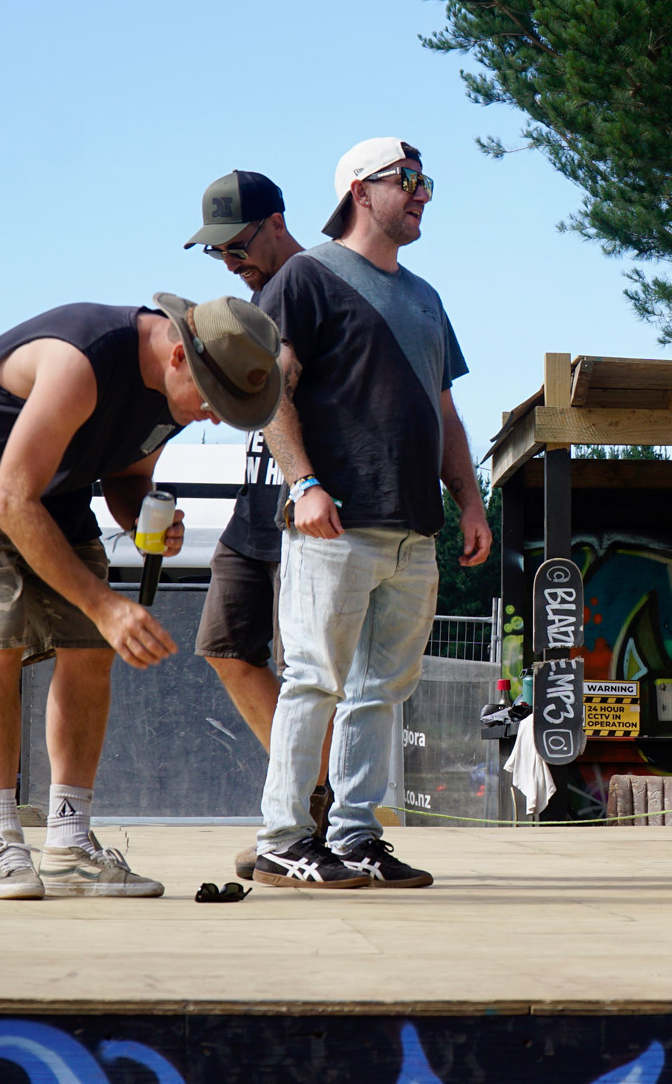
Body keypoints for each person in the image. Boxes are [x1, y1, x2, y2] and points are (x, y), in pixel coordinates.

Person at [0, 294, 282, 899]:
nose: (211, 417)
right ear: (179, 357)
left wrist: (145, 519)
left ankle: (70, 844)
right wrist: (106, 605)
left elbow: (130, 477)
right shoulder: (81, 362)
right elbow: (11, 502)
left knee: (89, 646)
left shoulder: (180, 390)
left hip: (50, 487)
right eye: (212, 401)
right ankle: (1, 839)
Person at [251, 137, 489, 890]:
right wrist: (304, 483)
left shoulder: (426, 298)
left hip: (415, 532)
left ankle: (355, 838)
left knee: (380, 692)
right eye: (407, 179)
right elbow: (271, 391)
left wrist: (471, 501)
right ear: (359, 190)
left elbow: (445, 411)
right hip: (335, 523)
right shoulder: (306, 276)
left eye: (427, 181)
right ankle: (282, 839)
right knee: (313, 679)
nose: (422, 194)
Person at [182, 169, 332, 879]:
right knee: (223, 645)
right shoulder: (258, 299)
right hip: (254, 506)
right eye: (216, 251)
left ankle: (304, 813)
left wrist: (307, 482)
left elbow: (287, 382)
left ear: (276, 222)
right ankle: (304, 794)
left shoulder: (307, 278)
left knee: (310, 671)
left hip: (302, 504)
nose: (228, 261)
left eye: (236, 245)